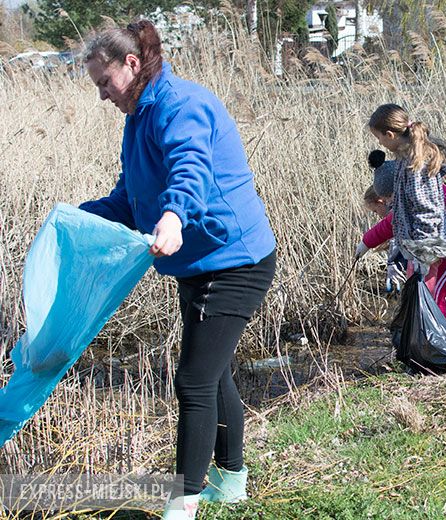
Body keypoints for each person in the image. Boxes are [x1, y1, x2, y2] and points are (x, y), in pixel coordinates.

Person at [78, 20, 276, 519]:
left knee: (192, 380)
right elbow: (130, 198)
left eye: (105, 83)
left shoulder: (180, 105)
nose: (103, 96)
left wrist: (172, 216)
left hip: (234, 259)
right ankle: (230, 483)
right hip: (198, 262)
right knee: (213, 374)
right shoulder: (138, 117)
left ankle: (181, 505)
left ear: (131, 64)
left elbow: (190, 169)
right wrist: (76, 217)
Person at [358, 169, 446, 324]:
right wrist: (365, 243)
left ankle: (441, 330)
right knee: (428, 286)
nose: (379, 215)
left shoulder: (432, 192)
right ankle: (442, 325)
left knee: (436, 287)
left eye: (376, 211)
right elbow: (388, 225)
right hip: (445, 247)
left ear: (382, 199)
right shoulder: (404, 201)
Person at [360, 104, 446, 295]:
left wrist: (423, 253)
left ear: (390, 135)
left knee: (425, 299)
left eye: (379, 138)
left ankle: (435, 325)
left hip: (425, 248)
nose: (380, 143)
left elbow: (425, 211)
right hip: (417, 248)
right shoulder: (404, 159)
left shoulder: (415, 165)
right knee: (417, 299)